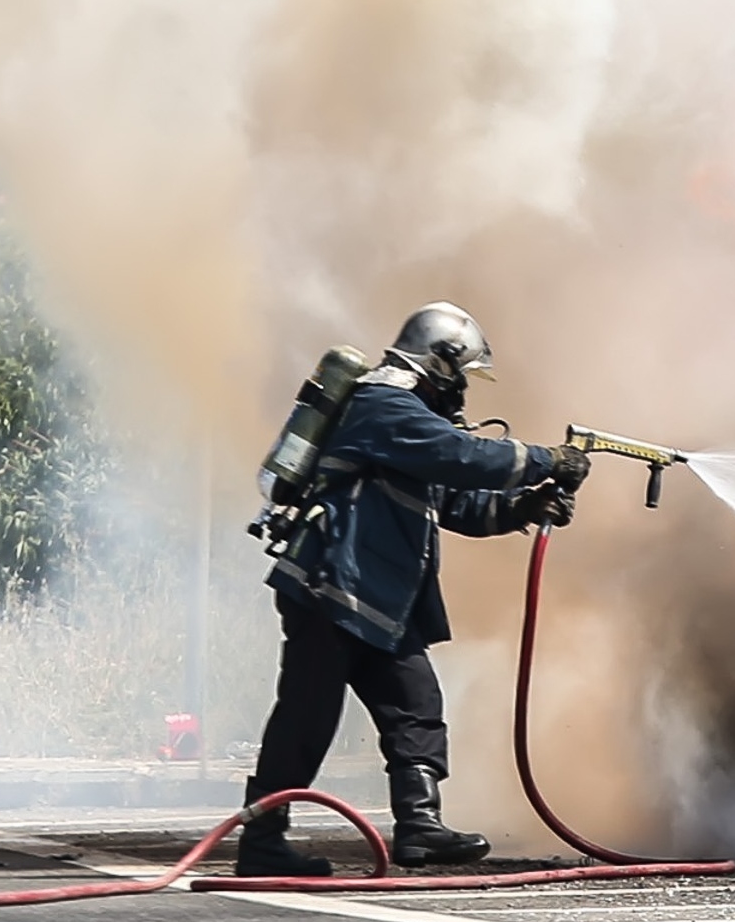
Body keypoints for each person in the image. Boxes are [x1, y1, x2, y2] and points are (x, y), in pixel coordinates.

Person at [240, 301, 589, 877]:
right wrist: (543, 459)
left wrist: (524, 505)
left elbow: (456, 501)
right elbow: (460, 456)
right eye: (462, 375)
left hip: (379, 604)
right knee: (307, 718)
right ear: (441, 360)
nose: (462, 391)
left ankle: (420, 827)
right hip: (331, 588)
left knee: (417, 707)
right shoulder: (381, 405)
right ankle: (262, 839)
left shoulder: (411, 423)